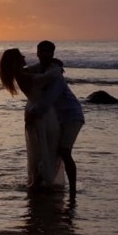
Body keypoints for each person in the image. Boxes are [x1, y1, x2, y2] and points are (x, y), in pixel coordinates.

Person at [0, 48, 66, 191]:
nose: (24, 56)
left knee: (42, 148)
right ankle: (38, 182)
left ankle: (38, 181)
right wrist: (57, 66)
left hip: (37, 111)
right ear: (16, 61)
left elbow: (39, 69)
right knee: (47, 148)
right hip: (41, 114)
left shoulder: (22, 73)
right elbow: (48, 76)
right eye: (20, 56)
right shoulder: (23, 75)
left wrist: (52, 63)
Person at [26, 40, 84, 199]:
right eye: (42, 51)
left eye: (48, 52)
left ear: (52, 54)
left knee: (64, 151)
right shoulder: (40, 69)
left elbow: (49, 98)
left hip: (72, 116)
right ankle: (39, 183)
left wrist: (34, 112)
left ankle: (72, 192)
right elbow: (26, 72)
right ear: (37, 52)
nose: (44, 54)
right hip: (58, 117)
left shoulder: (55, 73)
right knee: (50, 151)